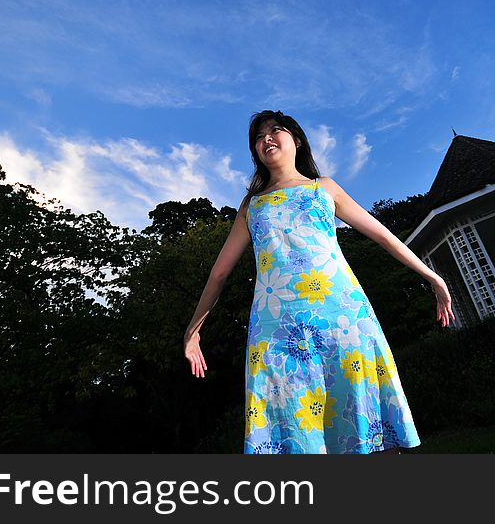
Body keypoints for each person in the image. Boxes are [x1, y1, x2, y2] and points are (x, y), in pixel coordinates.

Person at [183, 110, 454, 454]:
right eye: (258, 135)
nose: (266, 138)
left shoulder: (324, 188)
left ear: (295, 139)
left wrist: (432, 276)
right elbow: (219, 273)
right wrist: (193, 330)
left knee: (365, 425)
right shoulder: (252, 205)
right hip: (276, 329)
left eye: (275, 130)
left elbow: (383, 236)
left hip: (344, 316)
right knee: (293, 426)